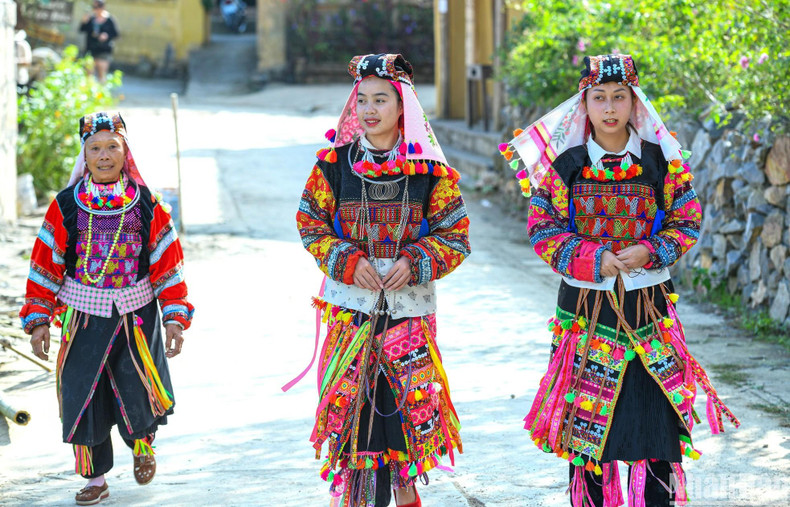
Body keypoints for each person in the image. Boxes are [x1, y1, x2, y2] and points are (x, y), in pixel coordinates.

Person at [499, 54, 739, 506]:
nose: (609, 107)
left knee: (657, 427)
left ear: (635, 103)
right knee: (589, 437)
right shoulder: (566, 165)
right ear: (584, 105)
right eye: (598, 98)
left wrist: (650, 249)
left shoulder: (660, 161)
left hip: (649, 309)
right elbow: (543, 228)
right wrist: (593, 258)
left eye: (619, 97)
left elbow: (686, 220)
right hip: (586, 316)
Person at [293, 53, 470, 507]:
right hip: (351, 316)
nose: (369, 109)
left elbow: (457, 235)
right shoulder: (333, 164)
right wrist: (348, 262)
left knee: (408, 420)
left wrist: (416, 260)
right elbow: (310, 223)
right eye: (362, 100)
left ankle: (407, 490)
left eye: (381, 100)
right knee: (353, 421)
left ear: (403, 107)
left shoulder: (432, 172)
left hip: (409, 318)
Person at [20, 112, 194, 505]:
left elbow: (168, 262)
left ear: (125, 151)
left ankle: (142, 445)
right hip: (83, 319)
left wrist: (175, 318)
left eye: (112, 146)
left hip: (137, 317)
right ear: (84, 154)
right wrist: (39, 320)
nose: (103, 155)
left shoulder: (147, 204)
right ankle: (95, 479)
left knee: (139, 389)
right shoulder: (66, 205)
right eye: (94, 147)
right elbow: (45, 262)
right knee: (83, 395)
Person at [79, 0, 119, 83]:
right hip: (90, 48)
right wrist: (83, 21)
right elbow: (82, 30)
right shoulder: (91, 19)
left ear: (103, 7)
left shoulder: (109, 20)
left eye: (98, 7)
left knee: (102, 75)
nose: (96, 9)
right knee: (88, 74)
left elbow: (115, 34)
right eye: (94, 7)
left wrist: (106, 35)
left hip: (103, 50)